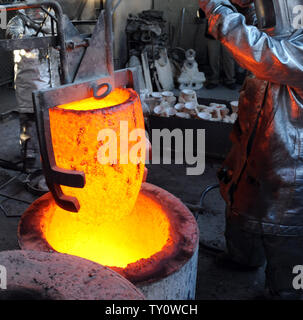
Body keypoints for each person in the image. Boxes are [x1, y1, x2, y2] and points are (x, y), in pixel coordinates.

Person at [199, 0, 303, 299]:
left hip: (291, 165)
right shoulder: (285, 33)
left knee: (284, 231)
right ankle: (243, 258)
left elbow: (262, 53)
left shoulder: (292, 48)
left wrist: (217, 8)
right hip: (256, 143)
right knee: (240, 201)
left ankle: (285, 289)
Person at [6, 1, 60, 172]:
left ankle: (51, 159)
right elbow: (14, 38)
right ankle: (31, 164)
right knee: (30, 124)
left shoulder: (53, 17)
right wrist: (42, 37)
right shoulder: (18, 20)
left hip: (52, 83)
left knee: (51, 123)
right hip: (30, 83)